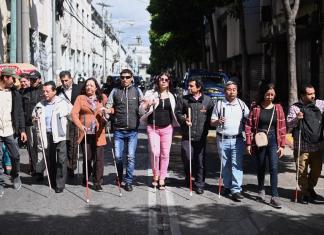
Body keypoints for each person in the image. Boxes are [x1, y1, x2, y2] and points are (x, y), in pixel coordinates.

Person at [245, 83, 286, 208]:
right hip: (260, 140)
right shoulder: (255, 107)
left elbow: (283, 127)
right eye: (268, 94)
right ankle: (261, 189)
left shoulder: (278, 108)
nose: (270, 97)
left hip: (273, 139)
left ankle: (274, 196)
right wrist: (248, 143)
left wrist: (282, 145)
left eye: (272, 94)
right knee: (261, 166)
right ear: (263, 93)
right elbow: (248, 125)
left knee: (274, 167)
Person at [210, 81, 249, 201]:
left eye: (234, 89)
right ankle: (227, 186)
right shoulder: (219, 104)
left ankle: (236, 190)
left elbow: (249, 119)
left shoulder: (242, 105)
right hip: (222, 139)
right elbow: (212, 122)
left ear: (237, 91)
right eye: (229, 89)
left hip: (237, 139)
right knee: (225, 164)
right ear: (224, 91)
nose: (231, 92)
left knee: (237, 164)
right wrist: (218, 122)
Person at [140, 73, 179, 189]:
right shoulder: (150, 94)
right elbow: (141, 109)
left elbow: (176, 112)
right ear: (158, 81)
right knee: (155, 152)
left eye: (166, 80)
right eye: (161, 79)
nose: (163, 81)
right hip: (153, 128)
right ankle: (155, 175)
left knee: (165, 154)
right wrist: (147, 104)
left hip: (167, 128)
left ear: (169, 82)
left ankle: (162, 178)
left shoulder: (172, 96)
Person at [106, 69, 143, 192]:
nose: (125, 79)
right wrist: (107, 113)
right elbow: (109, 107)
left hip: (132, 130)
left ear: (131, 78)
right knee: (118, 157)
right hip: (118, 130)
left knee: (131, 157)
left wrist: (146, 106)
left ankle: (128, 181)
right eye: (122, 77)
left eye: (127, 77)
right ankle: (120, 175)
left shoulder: (137, 91)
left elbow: (143, 108)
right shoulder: (115, 91)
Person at [175, 77, 214, 194]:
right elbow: (177, 112)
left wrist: (211, 126)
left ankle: (199, 183)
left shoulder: (208, 101)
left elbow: (212, 117)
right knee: (187, 157)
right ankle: (188, 176)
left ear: (199, 87)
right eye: (189, 85)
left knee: (200, 161)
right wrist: (184, 119)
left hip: (201, 136)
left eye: (191, 86)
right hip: (187, 135)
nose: (189, 88)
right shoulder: (184, 99)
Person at [287, 84, 324, 204]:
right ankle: (305, 193)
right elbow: (289, 125)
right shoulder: (295, 108)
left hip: (317, 145)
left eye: (313, 93)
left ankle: (310, 187)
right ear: (302, 95)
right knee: (301, 171)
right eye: (309, 94)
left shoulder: (319, 104)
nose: (313, 96)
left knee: (317, 171)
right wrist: (297, 119)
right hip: (301, 145)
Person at [32, 81, 72, 193]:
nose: (45, 93)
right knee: (50, 160)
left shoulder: (62, 102)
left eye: (47, 91)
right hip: (47, 134)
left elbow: (73, 114)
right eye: (43, 91)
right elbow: (33, 117)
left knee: (61, 159)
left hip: (60, 135)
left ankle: (60, 184)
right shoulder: (40, 104)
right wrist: (34, 119)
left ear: (54, 91)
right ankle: (53, 180)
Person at [71, 78, 107, 192]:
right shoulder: (80, 98)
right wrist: (80, 126)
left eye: (91, 85)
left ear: (96, 87)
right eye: (87, 85)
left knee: (99, 159)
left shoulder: (102, 98)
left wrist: (106, 114)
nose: (89, 87)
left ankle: (97, 182)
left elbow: (110, 110)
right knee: (88, 157)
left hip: (99, 132)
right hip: (85, 133)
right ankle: (86, 176)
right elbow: (74, 114)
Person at [0, 68, 27, 196]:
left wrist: (22, 130)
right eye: (12, 78)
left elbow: (20, 113)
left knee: (15, 156)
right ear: (5, 78)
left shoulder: (15, 94)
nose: (14, 81)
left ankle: (15, 176)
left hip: (10, 130)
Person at [57, 70, 82, 177]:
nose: (64, 83)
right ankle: (63, 167)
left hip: (74, 120)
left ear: (71, 79)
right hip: (61, 121)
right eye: (62, 81)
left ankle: (71, 168)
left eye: (66, 80)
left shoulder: (79, 89)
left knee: (73, 145)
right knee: (62, 144)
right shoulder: (58, 90)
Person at [22, 70, 44, 179]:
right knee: (31, 147)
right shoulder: (25, 92)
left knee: (41, 146)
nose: (32, 81)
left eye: (34, 79)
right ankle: (36, 168)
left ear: (39, 79)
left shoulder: (44, 91)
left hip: (41, 124)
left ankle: (41, 169)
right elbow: (21, 109)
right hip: (29, 124)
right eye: (31, 79)